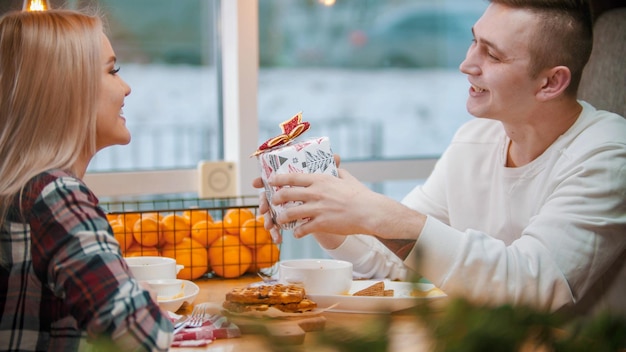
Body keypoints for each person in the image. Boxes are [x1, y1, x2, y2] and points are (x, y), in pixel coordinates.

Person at [255, 0, 626, 318]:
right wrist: (327, 216)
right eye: (473, 41)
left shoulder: (607, 154)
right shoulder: (475, 139)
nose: (467, 64)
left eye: (492, 54)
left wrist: (378, 213)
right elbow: (398, 265)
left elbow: (530, 287)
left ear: (550, 83)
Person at [0, 9, 173, 351]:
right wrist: (146, 298)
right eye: (112, 70)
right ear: (68, 88)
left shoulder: (16, 187)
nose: (126, 87)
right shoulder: (56, 194)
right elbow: (143, 338)